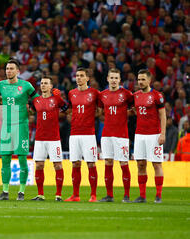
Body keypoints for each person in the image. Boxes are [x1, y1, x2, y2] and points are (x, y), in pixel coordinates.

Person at [0, 59, 39, 201]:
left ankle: (21, 192)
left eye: (12, 68)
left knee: (22, 158)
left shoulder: (26, 85)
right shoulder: (1, 85)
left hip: (21, 126)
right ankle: (5, 192)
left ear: (18, 71)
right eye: (7, 68)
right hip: (6, 126)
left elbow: (37, 101)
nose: (9, 71)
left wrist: (31, 111)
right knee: (5, 159)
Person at [98, 68, 134, 202]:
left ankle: (126, 195)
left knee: (123, 162)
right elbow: (100, 112)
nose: (113, 80)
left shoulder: (127, 94)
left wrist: (125, 115)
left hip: (121, 135)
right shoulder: (103, 95)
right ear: (107, 79)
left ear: (120, 80)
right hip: (106, 134)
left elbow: (133, 109)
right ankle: (109, 195)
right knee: (108, 162)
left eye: (116, 78)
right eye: (111, 78)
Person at [65, 67, 100, 202]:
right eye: (77, 75)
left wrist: (91, 118)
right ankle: (75, 195)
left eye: (81, 76)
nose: (78, 78)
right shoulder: (71, 93)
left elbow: (100, 110)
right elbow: (69, 110)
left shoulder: (94, 93)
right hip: (74, 134)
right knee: (75, 164)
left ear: (87, 78)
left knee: (91, 163)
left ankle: (93, 195)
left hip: (88, 134)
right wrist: (71, 118)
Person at [31, 76, 67, 201]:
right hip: (40, 138)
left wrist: (60, 98)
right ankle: (40, 194)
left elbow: (66, 108)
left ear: (51, 86)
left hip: (54, 138)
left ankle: (58, 195)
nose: (43, 85)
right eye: (41, 83)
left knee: (57, 165)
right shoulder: (36, 100)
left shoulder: (56, 99)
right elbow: (30, 112)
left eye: (46, 83)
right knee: (39, 165)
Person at [133, 69, 166, 203]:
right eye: (139, 79)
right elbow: (135, 111)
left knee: (156, 164)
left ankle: (158, 195)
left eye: (143, 79)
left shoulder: (157, 96)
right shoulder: (135, 95)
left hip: (154, 135)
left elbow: (163, 115)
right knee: (141, 164)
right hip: (139, 134)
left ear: (149, 80)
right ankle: (142, 196)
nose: (140, 82)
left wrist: (163, 133)